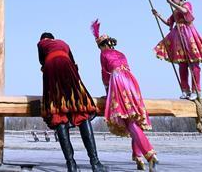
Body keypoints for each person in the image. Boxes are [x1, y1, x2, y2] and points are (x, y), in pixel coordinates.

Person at [92, 21, 157, 171]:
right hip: (131, 81)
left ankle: (149, 153)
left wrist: (108, 92)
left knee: (128, 120)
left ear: (102, 45)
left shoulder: (103, 54)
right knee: (134, 117)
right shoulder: (121, 53)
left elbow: (105, 75)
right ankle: (138, 156)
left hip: (118, 81)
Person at [38, 32, 105, 172]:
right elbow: (73, 63)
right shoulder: (63, 43)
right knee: (81, 111)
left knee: (59, 114)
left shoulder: (41, 44)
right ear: (52, 38)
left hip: (51, 70)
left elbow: (42, 63)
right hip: (67, 67)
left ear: (44, 39)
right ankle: (95, 163)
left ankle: (71, 165)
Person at [152, 0, 202, 99]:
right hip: (178, 38)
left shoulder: (187, 4)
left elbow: (186, 13)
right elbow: (168, 22)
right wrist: (158, 15)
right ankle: (185, 90)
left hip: (189, 36)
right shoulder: (175, 11)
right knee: (182, 65)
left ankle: (196, 91)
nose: (173, 0)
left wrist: (171, 3)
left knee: (194, 65)